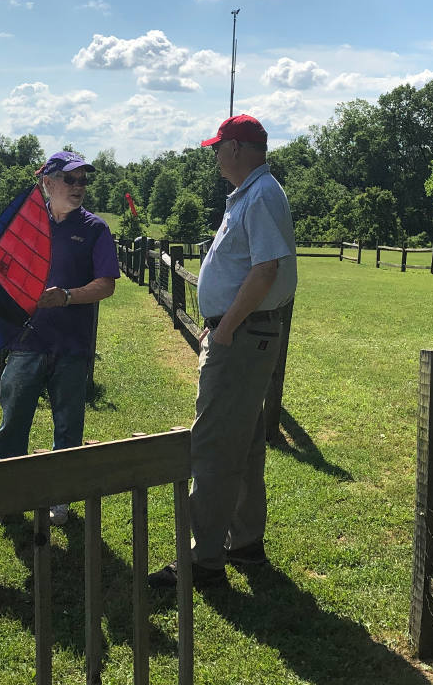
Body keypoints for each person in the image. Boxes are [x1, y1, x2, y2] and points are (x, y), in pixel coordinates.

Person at [149, 114, 297, 588]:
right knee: (245, 441)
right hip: (246, 334)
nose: (214, 156)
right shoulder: (253, 192)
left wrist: (226, 327)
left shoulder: (261, 194)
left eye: (217, 147)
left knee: (212, 444)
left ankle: (203, 559)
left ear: (235, 148)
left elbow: (266, 269)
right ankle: (244, 542)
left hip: (241, 336)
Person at [0, 151, 120, 525]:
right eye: (71, 179)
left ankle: (59, 501)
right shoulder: (26, 226)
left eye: (83, 180)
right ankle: (9, 497)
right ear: (47, 183)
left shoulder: (95, 229)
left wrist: (65, 296)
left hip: (71, 347)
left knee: (68, 427)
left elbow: (106, 284)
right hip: (25, 343)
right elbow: (2, 271)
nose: (79, 187)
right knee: (12, 425)